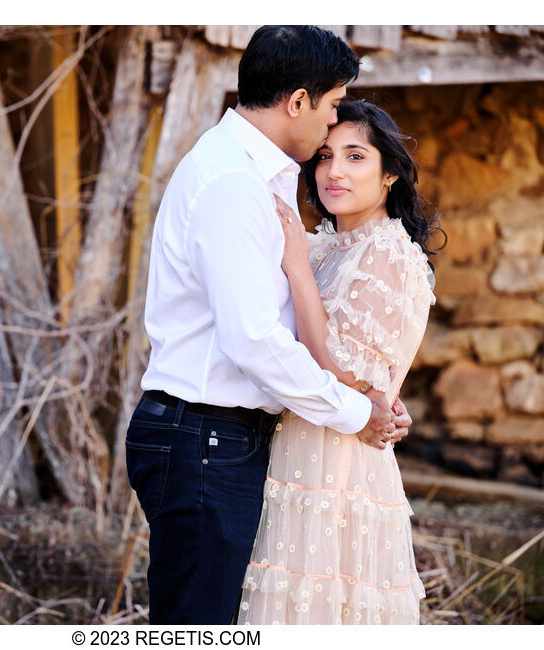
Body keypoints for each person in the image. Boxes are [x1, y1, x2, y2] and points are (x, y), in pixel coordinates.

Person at [124, 26, 410, 625]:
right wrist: (357, 412)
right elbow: (254, 340)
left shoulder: (253, 177)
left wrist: (368, 391)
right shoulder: (233, 183)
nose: (332, 125)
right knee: (196, 628)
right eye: (332, 106)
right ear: (297, 102)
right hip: (202, 437)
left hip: (222, 439)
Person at [237, 99, 440, 625]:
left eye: (356, 157)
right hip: (296, 451)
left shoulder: (388, 252)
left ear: (389, 172)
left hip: (339, 469)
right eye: (325, 156)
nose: (333, 171)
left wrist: (298, 268)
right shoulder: (331, 244)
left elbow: (344, 373)